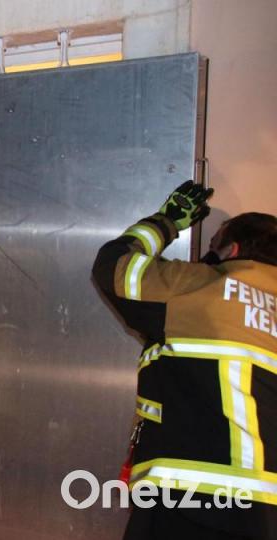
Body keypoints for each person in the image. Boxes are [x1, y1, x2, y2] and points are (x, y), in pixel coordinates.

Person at [93, 181, 277, 539]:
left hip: (193, 499)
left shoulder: (195, 286)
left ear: (231, 250)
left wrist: (166, 222)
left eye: (211, 249)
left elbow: (114, 267)